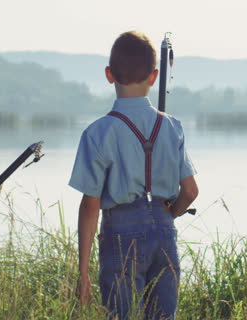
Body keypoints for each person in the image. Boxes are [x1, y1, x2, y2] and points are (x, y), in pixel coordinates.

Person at [70, 31, 199, 320]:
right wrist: (168, 214)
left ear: (108, 74)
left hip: (120, 235)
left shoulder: (98, 133)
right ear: (154, 77)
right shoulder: (172, 127)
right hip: (164, 233)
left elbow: (90, 205)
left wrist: (83, 272)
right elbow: (190, 192)